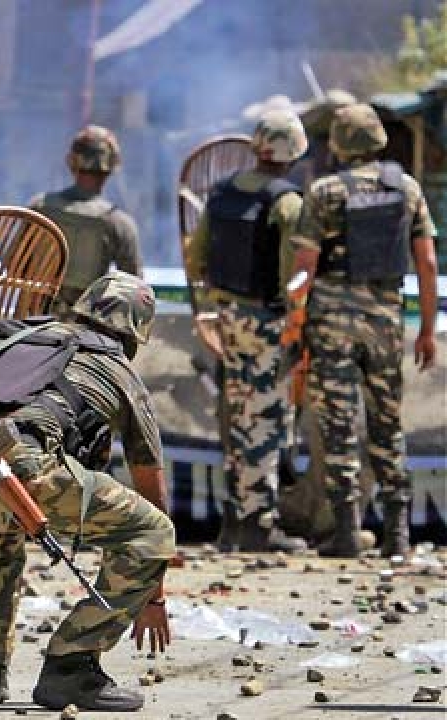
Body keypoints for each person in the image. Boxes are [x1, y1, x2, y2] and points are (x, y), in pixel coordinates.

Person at [0, 271, 174, 711]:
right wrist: (154, 594)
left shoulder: (29, 332)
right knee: (153, 532)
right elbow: (152, 493)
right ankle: (70, 668)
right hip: (21, 462)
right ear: (136, 331)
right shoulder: (123, 377)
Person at [290, 103, 438, 559]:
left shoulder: (323, 192)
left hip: (332, 322)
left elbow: (304, 270)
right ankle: (397, 533)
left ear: (337, 144)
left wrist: (293, 324)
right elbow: (427, 263)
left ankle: (347, 532)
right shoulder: (407, 189)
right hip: (386, 323)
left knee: (338, 424)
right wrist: (426, 332)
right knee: (387, 423)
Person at [186, 109, 310, 553]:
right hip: (267, 322)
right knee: (265, 423)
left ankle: (235, 523)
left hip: (227, 318)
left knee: (237, 418)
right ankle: (259, 528)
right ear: (294, 152)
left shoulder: (221, 194)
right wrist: (295, 328)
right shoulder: (288, 202)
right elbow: (292, 279)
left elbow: (195, 259)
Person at [30, 126, 143, 314]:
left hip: (30, 326)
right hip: (85, 335)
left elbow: (13, 268)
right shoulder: (119, 223)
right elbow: (133, 292)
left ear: (72, 162)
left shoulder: (38, 208)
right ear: (111, 168)